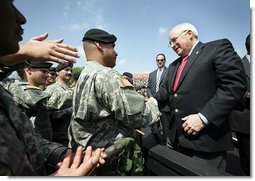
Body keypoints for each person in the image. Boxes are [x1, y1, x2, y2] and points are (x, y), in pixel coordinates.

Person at [0, 0, 106, 176]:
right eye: (7, 3)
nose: (22, 17)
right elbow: (50, 101)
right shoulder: (18, 88)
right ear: (28, 70)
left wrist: (60, 153)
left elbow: (27, 138)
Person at [154, 22, 247, 170]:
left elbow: (234, 85)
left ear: (189, 34)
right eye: (169, 43)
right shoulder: (173, 66)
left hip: (206, 142)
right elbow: (166, 91)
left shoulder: (217, 48)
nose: (171, 45)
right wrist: (152, 100)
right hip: (176, 140)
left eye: (174, 40)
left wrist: (204, 117)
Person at [68, 28, 161, 175]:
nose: (116, 53)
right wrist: (153, 105)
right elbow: (138, 116)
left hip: (90, 158)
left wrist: (123, 127)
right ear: (99, 46)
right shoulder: (106, 75)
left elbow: (98, 115)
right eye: (112, 47)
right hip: (111, 161)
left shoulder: (84, 75)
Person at [229, 34, 250, 175]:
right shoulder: (237, 65)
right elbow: (228, 89)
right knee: (248, 161)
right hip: (246, 121)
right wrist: (247, 95)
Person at [46, 62, 74, 146]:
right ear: (57, 72)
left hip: (70, 136)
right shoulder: (51, 89)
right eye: (66, 70)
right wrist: (71, 110)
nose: (69, 73)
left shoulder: (69, 89)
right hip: (58, 138)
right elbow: (49, 115)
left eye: (71, 71)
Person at [147, 53, 170, 146]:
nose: (160, 61)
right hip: (153, 105)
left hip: (165, 105)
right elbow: (148, 87)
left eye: (162, 60)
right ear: (156, 61)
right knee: (154, 126)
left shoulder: (169, 71)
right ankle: (158, 144)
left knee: (166, 128)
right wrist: (152, 98)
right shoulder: (152, 74)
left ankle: (166, 145)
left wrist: (157, 98)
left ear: (165, 61)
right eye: (158, 60)